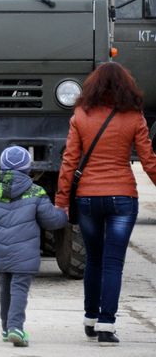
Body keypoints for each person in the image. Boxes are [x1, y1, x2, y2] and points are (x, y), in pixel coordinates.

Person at [56, 62, 156, 346]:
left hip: (87, 198)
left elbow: (69, 161)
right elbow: (149, 161)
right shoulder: (134, 117)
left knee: (93, 261)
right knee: (113, 263)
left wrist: (63, 199)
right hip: (123, 198)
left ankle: (89, 318)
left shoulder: (80, 116)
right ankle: (106, 325)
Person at [0, 145, 68, 347]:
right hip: (24, 255)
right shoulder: (36, 192)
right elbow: (51, 221)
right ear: (27, 168)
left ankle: (6, 327)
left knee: (5, 289)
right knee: (19, 289)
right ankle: (16, 327)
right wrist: (64, 214)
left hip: (0, 252)